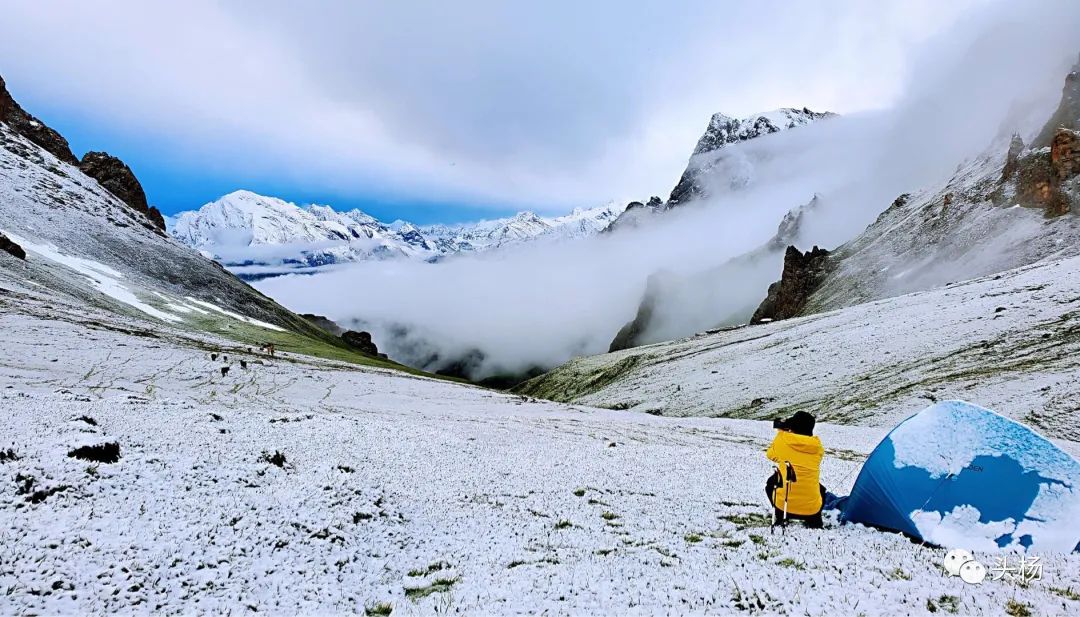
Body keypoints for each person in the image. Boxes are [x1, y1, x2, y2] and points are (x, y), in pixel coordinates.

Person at [765, 410, 826, 529]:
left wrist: (781, 432)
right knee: (820, 489)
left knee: (770, 483)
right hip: (812, 510)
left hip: (783, 506)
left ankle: (780, 514)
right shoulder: (818, 448)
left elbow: (770, 454)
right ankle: (814, 520)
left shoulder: (782, 440)